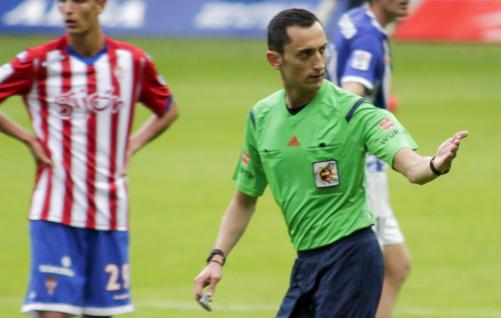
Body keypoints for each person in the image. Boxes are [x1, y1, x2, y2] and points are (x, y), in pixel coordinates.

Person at [193, 8, 467, 317]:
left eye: (323, 50)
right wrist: (216, 259)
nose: (319, 63)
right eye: (305, 54)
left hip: (353, 260)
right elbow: (244, 199)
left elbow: (412, 167)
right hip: (307, 264)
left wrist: (435, 164)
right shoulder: (262, 117)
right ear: (275, 60)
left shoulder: (352, 113)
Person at [0, 0, 179, 316]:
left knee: (100, 313)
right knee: (52, 311)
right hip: (54, 211)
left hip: (110, 212)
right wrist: (27, 137)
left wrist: (134, 142)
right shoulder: (39, 61)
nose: (69, 9)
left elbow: (168, 110)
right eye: (63, 1)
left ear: (100, 5)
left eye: (79, 1)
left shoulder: (132, 62)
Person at [327, 1, 412, 316]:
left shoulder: (354, 19)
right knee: (364, 275)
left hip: (364, 166)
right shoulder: (368, 37)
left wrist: (380, 105)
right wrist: (373, 115)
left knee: (397, 265)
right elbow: (351, 93)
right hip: (363, 170)